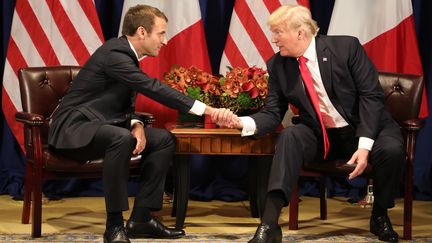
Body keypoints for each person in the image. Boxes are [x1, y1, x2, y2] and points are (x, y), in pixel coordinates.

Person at [48, 4, 233, 243]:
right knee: (120, 138)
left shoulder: (127, 56)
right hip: (74, 129)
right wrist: (207, 110)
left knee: (164, 139)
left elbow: (120, 103)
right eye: (161, 33)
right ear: (143, 32)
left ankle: (142, 218)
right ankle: (114, 226)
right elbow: (152, 88)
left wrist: (136, 124)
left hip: (103, 125)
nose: (165, 41)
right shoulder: (115, 55)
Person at [221, 4, 403, 243]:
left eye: (278, 33)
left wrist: (364, 145)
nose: (274, 39)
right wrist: (242, 122)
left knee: (391, 149)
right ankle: (269, 224)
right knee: (290, 136)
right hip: (322, 136)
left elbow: (371, 96)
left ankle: (379, 215)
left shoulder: (346, 48)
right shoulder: (278, 65)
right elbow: (273, 112)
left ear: (300, 32)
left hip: (366, 129)